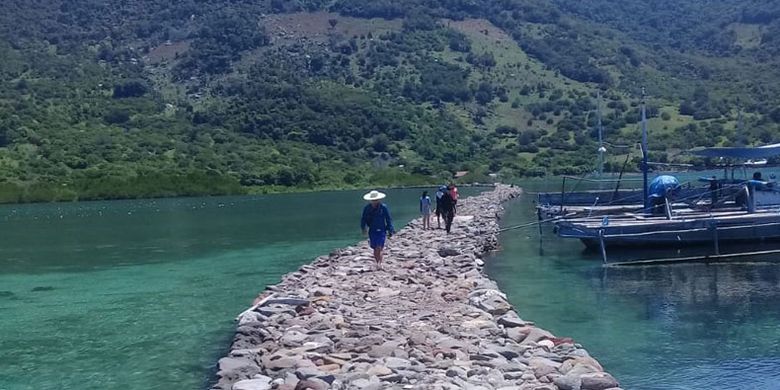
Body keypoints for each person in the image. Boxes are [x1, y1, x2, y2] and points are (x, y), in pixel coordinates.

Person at [361, 190, 395, 269]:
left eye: (376, 200)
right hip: (372, 230)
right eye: (373, 200)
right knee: (375, 248)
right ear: (370, 200)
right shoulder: (367, 208)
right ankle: (377, 262)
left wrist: (391, 229)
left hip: (382, 230)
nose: (375, 202)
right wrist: (363, 228)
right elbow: (363, 219)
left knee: (379, 247)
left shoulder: (383, 207)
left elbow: (388, 219)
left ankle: (380, 263)